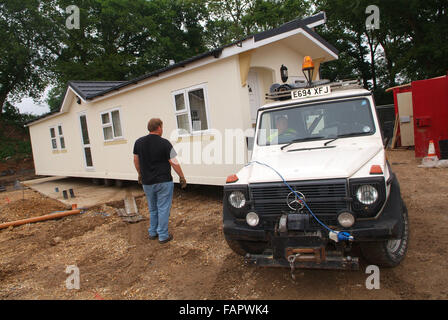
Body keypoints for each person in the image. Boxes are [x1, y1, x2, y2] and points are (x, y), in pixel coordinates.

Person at [133, 118, 187, 244]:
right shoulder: (165, 143)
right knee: (163, 208)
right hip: (163, 181)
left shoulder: (138, 142)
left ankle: (152, 232)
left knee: (152, 208)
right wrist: (182, 176)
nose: (162, 129)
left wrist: (140, 174)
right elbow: (173, 162)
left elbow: (136, 160)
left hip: (147, 182)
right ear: (158, 128)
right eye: (162, 127)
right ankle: (163, 235)